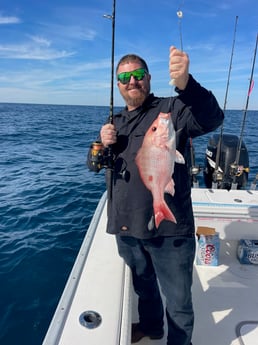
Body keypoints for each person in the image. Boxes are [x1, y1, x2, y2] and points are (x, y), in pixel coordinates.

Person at [88, 46, 224, 345]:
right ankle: (152, 328)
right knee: (144, 287)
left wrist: (186, 83)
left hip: (170, 229)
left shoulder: (171, 109)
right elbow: (94, 165)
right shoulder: (116, 121)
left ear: (148, 78)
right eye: (125, 77)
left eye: (137, 74)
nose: (132, 81)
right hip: (127, 226)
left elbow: (211, 118)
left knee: (178, 302)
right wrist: (99, 144)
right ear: (118, 84)